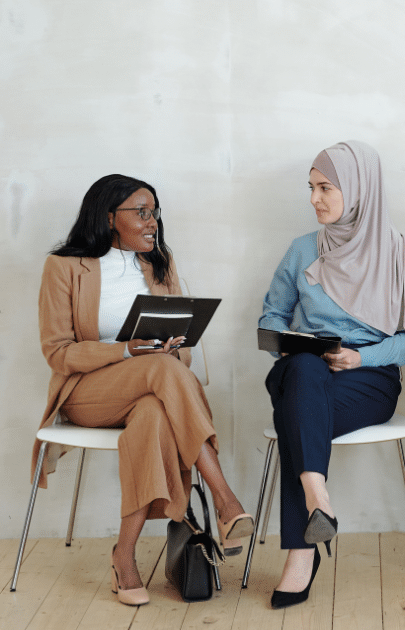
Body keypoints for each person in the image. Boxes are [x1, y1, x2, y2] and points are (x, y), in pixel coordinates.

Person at [36, 174, 252, 607]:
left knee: (154, 413)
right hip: (86, 394)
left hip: (152, 390)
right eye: (141, 212)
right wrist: (125, 350)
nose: (152, 221)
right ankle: (225, 500)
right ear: (110, 216)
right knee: (156, 371)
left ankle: (125, 554)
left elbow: (184, 357)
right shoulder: (64, 267)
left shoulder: (159, 264)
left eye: (154, 212)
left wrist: (173, 351)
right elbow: (58, 353)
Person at [259, 140, 405, 609]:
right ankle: (318, 496)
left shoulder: (403, 253)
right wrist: (291, 341)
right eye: (311, 188)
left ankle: (301, 551)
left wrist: (360, 358)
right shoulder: (302, 250)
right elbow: (272, 316)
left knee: (299, 419)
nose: (315, 198)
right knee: (305, 370)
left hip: (369, 377)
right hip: (300, 369)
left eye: (325, 187)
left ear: (358, 189)